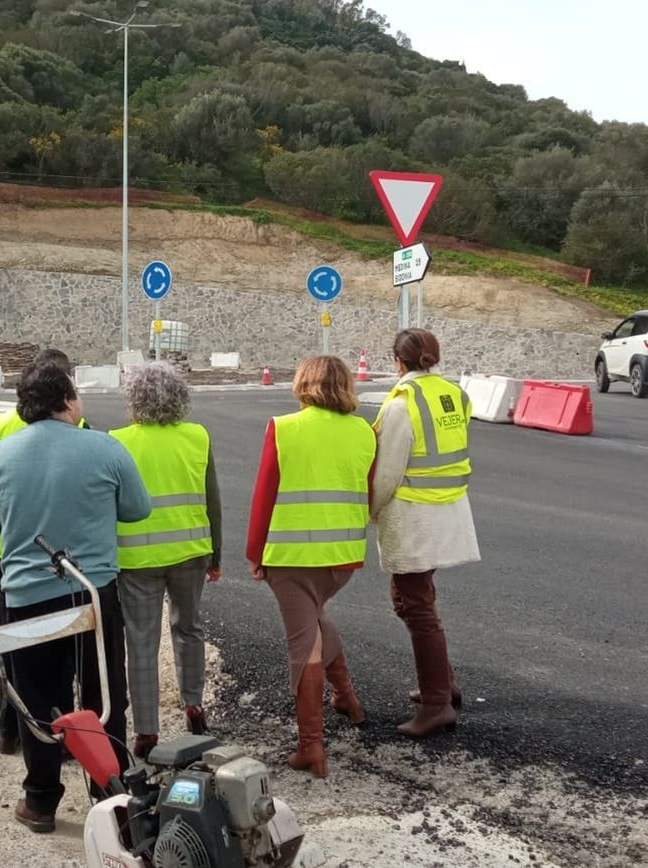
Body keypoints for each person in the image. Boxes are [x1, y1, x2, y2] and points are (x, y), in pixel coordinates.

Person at [0, 361, 150, 834]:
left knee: (35, 699)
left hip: (25, 596)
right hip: (92, 595)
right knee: (103, 694)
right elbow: (137, 509)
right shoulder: (105, 448)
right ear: (68, 401)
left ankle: (41, 801)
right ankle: (112, 800)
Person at [245, 354, 376, 779]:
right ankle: (348, 700)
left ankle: (311, 747)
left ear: (303, 384)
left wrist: (255, 553)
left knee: (304, 643)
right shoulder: (363, 431)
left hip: (292, 556)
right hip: (341, 557)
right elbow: (369, 491)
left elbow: (265, 493)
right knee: (316, 618)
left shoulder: (283, 428)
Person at [0, 347, 89, 756]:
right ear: (63, 392)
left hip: (6, 550)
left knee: (15, 645)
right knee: (59, 654)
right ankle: (55, 739)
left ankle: (11, 729)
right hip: (59, 556)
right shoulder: (78, 426)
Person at [109, 361, 221, 759]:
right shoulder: (197, 436)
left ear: (134, 399)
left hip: (137, 557)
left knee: (141, 641)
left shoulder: (117, 441)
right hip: (191, 551)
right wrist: (216, 554)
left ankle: (147, 730)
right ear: (180, 397)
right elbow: (212, 500)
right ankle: (194, 705)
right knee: (189, 627)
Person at [371, 328, 479, 737]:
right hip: (449, 507)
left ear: (398, 362)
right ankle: (444, 685)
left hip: (415, 513)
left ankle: (437, 703)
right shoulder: (454, 393)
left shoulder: (403, 405)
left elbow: (387, 473)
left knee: (415, 605)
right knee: (416, 599)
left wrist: (370, 511)